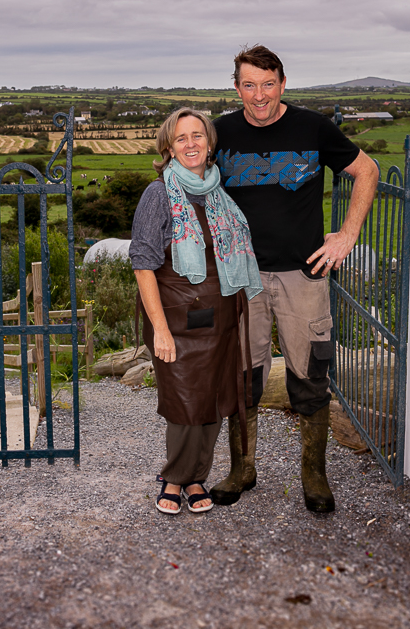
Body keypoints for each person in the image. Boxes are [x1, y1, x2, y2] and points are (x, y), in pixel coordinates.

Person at [211, 45, 378, 513]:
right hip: (241, 278)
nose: (259, 95)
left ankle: (314, 475)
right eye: (249, 85)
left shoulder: (313, 128)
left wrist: (347, 234)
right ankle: (242, 469)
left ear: (283, 84)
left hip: (303, 275)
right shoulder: (221, 132)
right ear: (237, 87)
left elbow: (367, 170)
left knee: (310, 376)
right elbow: (188, 180)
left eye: (268, 84)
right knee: (242, 378)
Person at [129, 107, 262, 515]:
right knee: (185, 403)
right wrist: (160, 329)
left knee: (215, 401)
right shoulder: (158, 195)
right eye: (181, 138)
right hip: (175, 319)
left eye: (198, 136)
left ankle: (196, 478)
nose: (191, 144)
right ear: (169, 148)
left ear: (209, 143)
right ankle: (174, 478)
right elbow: (143, 264)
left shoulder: (218, 194)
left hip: (221, 316)